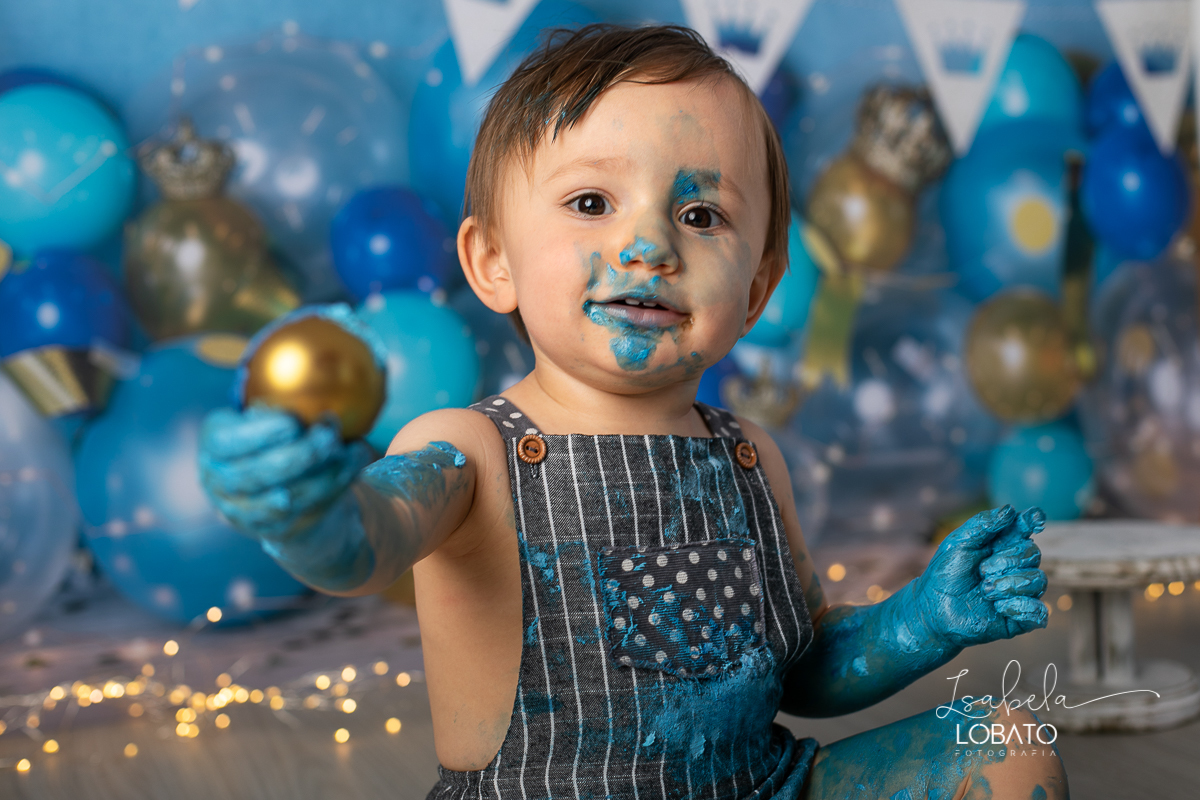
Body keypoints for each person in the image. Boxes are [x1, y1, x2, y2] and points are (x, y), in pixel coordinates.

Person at [199, 24, 1068, 800]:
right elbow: (362, 543)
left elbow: (802, 671)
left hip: (762, 784)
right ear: (491, 259)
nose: (648, 246)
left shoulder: (750, 459)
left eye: (700, 214)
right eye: (590, 203)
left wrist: (924, 621)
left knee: (1002, 741)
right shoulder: (468, 453)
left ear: (760, 288)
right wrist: (305, 509)